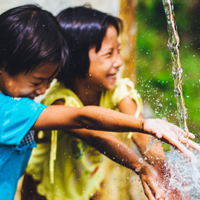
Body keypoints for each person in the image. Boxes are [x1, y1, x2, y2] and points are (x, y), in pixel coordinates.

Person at [22, 6, 197, 200]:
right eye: (108, 54)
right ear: (76, 59)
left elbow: (142, 135)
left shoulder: (117, 90)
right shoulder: (60, 101)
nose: (119, 62)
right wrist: (140, 166)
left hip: (90, 185)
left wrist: (163, 169)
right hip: (44, 190)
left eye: (119, 51)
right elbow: (97, 136)